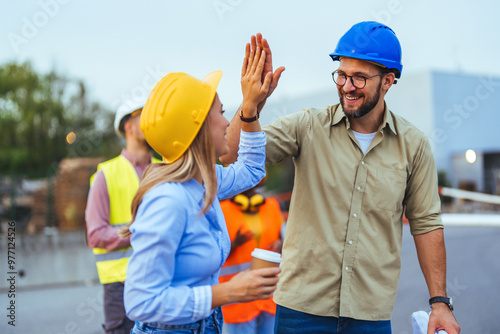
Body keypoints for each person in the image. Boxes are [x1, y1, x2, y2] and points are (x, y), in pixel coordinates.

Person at [220, 24, 461, 333]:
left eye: (359, 77)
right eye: (342, 75)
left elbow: (426, 223)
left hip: (369, 315)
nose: (347, 86)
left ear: (388, 81)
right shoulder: (307, 126)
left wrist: (439, 302)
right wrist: (252, 103)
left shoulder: (413, 145)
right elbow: (229, 154)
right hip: (300, 312)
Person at [122, 41, 282, 334]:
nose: (226, 123)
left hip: (204, 325)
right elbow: (140, 301)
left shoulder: (202, 182)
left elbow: (250, 169)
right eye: (221, 113)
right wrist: (229, 292)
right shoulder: (168, 200)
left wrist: (251, 107)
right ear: (197, 129)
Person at [85, 99, 160, 334]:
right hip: (120, 287)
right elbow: (96, 234)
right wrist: (141, 231)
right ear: (128, 125)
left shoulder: (166, 169)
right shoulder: (106, 174)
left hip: (162, 280)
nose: (153, 122)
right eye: (145, 116)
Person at [219, 181, 284, 334]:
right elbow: (213, 254)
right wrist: (234, 244)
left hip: (268, 294)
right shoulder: (222, 210)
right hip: (238, 298)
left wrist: (281, 243)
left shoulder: (271, 206)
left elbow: (285, 237)